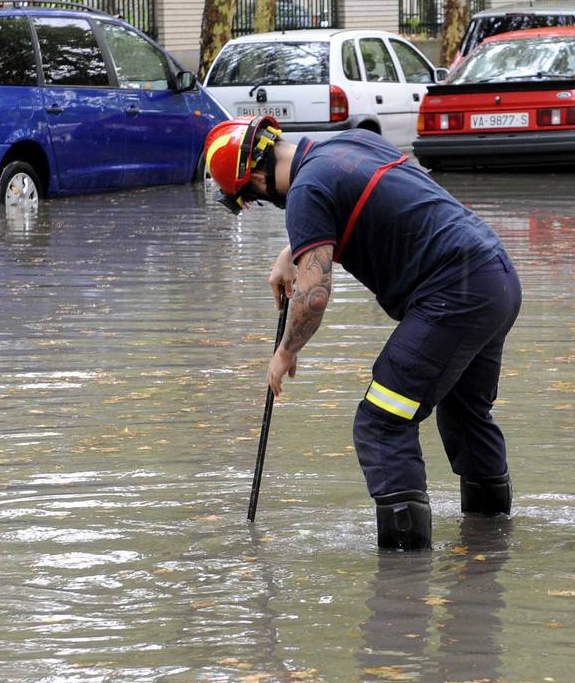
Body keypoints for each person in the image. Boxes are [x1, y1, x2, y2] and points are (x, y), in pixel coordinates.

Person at [204, 117, 521, 549]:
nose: (262, 202)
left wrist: (285, 351)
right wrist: (292, 251)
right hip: (496, 278)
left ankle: (404, 580)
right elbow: (368, 199)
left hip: (453, 296)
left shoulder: (305, 191)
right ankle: (490, 546)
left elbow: (314, 295)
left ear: (257, 178)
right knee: (465, 413)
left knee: (382, 422)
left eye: (251, 198)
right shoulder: (352, 143)